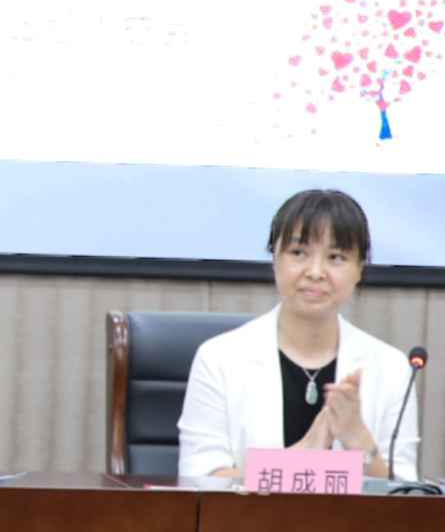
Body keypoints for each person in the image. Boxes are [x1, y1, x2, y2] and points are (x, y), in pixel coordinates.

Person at [176, 187, 420, 487]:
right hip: (246, 520)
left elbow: (406, 494)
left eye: (336, 257)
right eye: (298, 253)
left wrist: (358, 439)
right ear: (275, 259)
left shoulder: (392, 368)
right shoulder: (219, 358)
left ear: (359, 270)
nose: (315, 272)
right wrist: (303, 454)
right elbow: (199, 482)